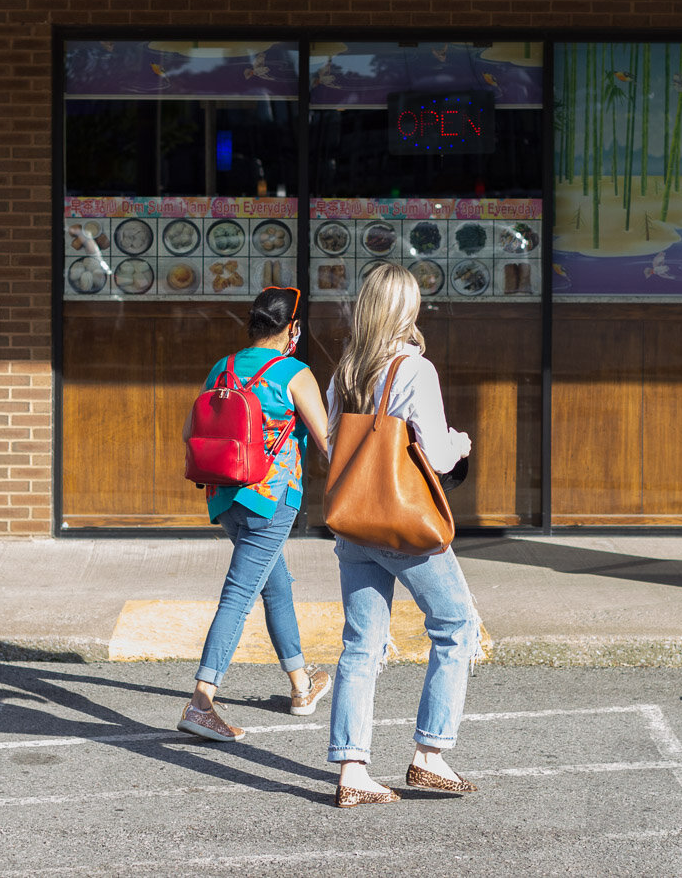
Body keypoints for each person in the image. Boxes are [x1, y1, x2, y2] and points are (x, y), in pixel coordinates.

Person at [325, 263, 482, 807]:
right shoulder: (414, 370)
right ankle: (429, 755)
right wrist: (460, 443)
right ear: (407, 310)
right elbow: (435, 454)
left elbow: (331, 448)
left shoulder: (344, 371)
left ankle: (352, 770)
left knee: (360, 645)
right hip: (402, 526)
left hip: (353, 523)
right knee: (456, 624)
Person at [178, 285, 332, 743]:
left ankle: (302, 686)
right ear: (292, 329)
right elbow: (327, 443)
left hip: (224, 497)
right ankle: (202, 702)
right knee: (240, 594)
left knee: (276, 583)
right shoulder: (294, 372)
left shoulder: (222, 367)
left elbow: (191, 430)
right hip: (271, 498)